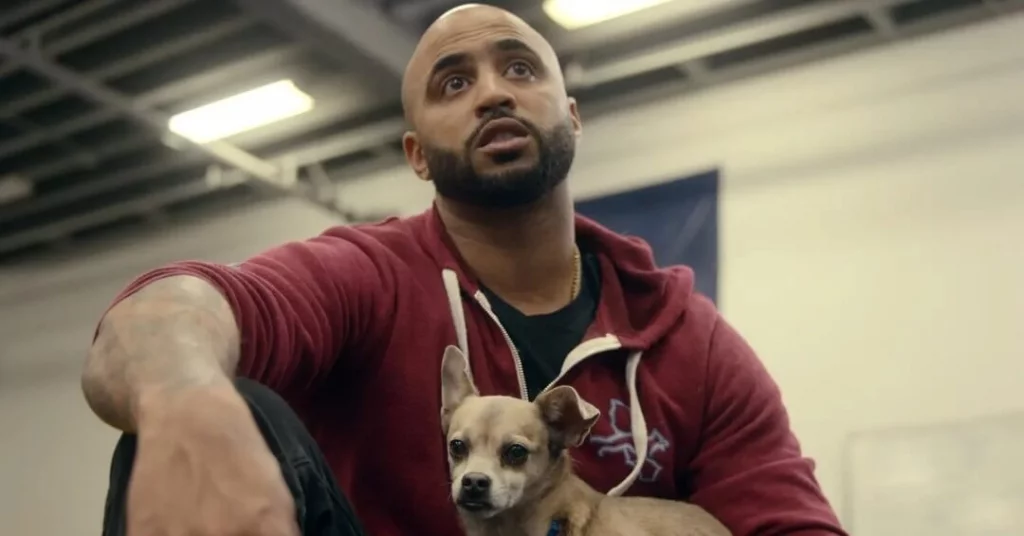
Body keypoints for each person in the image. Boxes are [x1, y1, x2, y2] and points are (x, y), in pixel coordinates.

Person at [83, 4, 846, 536]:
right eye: (454, 83)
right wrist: (188, 407)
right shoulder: (367, 277)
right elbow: (164, 314)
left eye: (520, 68)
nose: (493, 93)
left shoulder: (688, 339)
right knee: (222, 411)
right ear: (417, 155)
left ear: (571, 114)